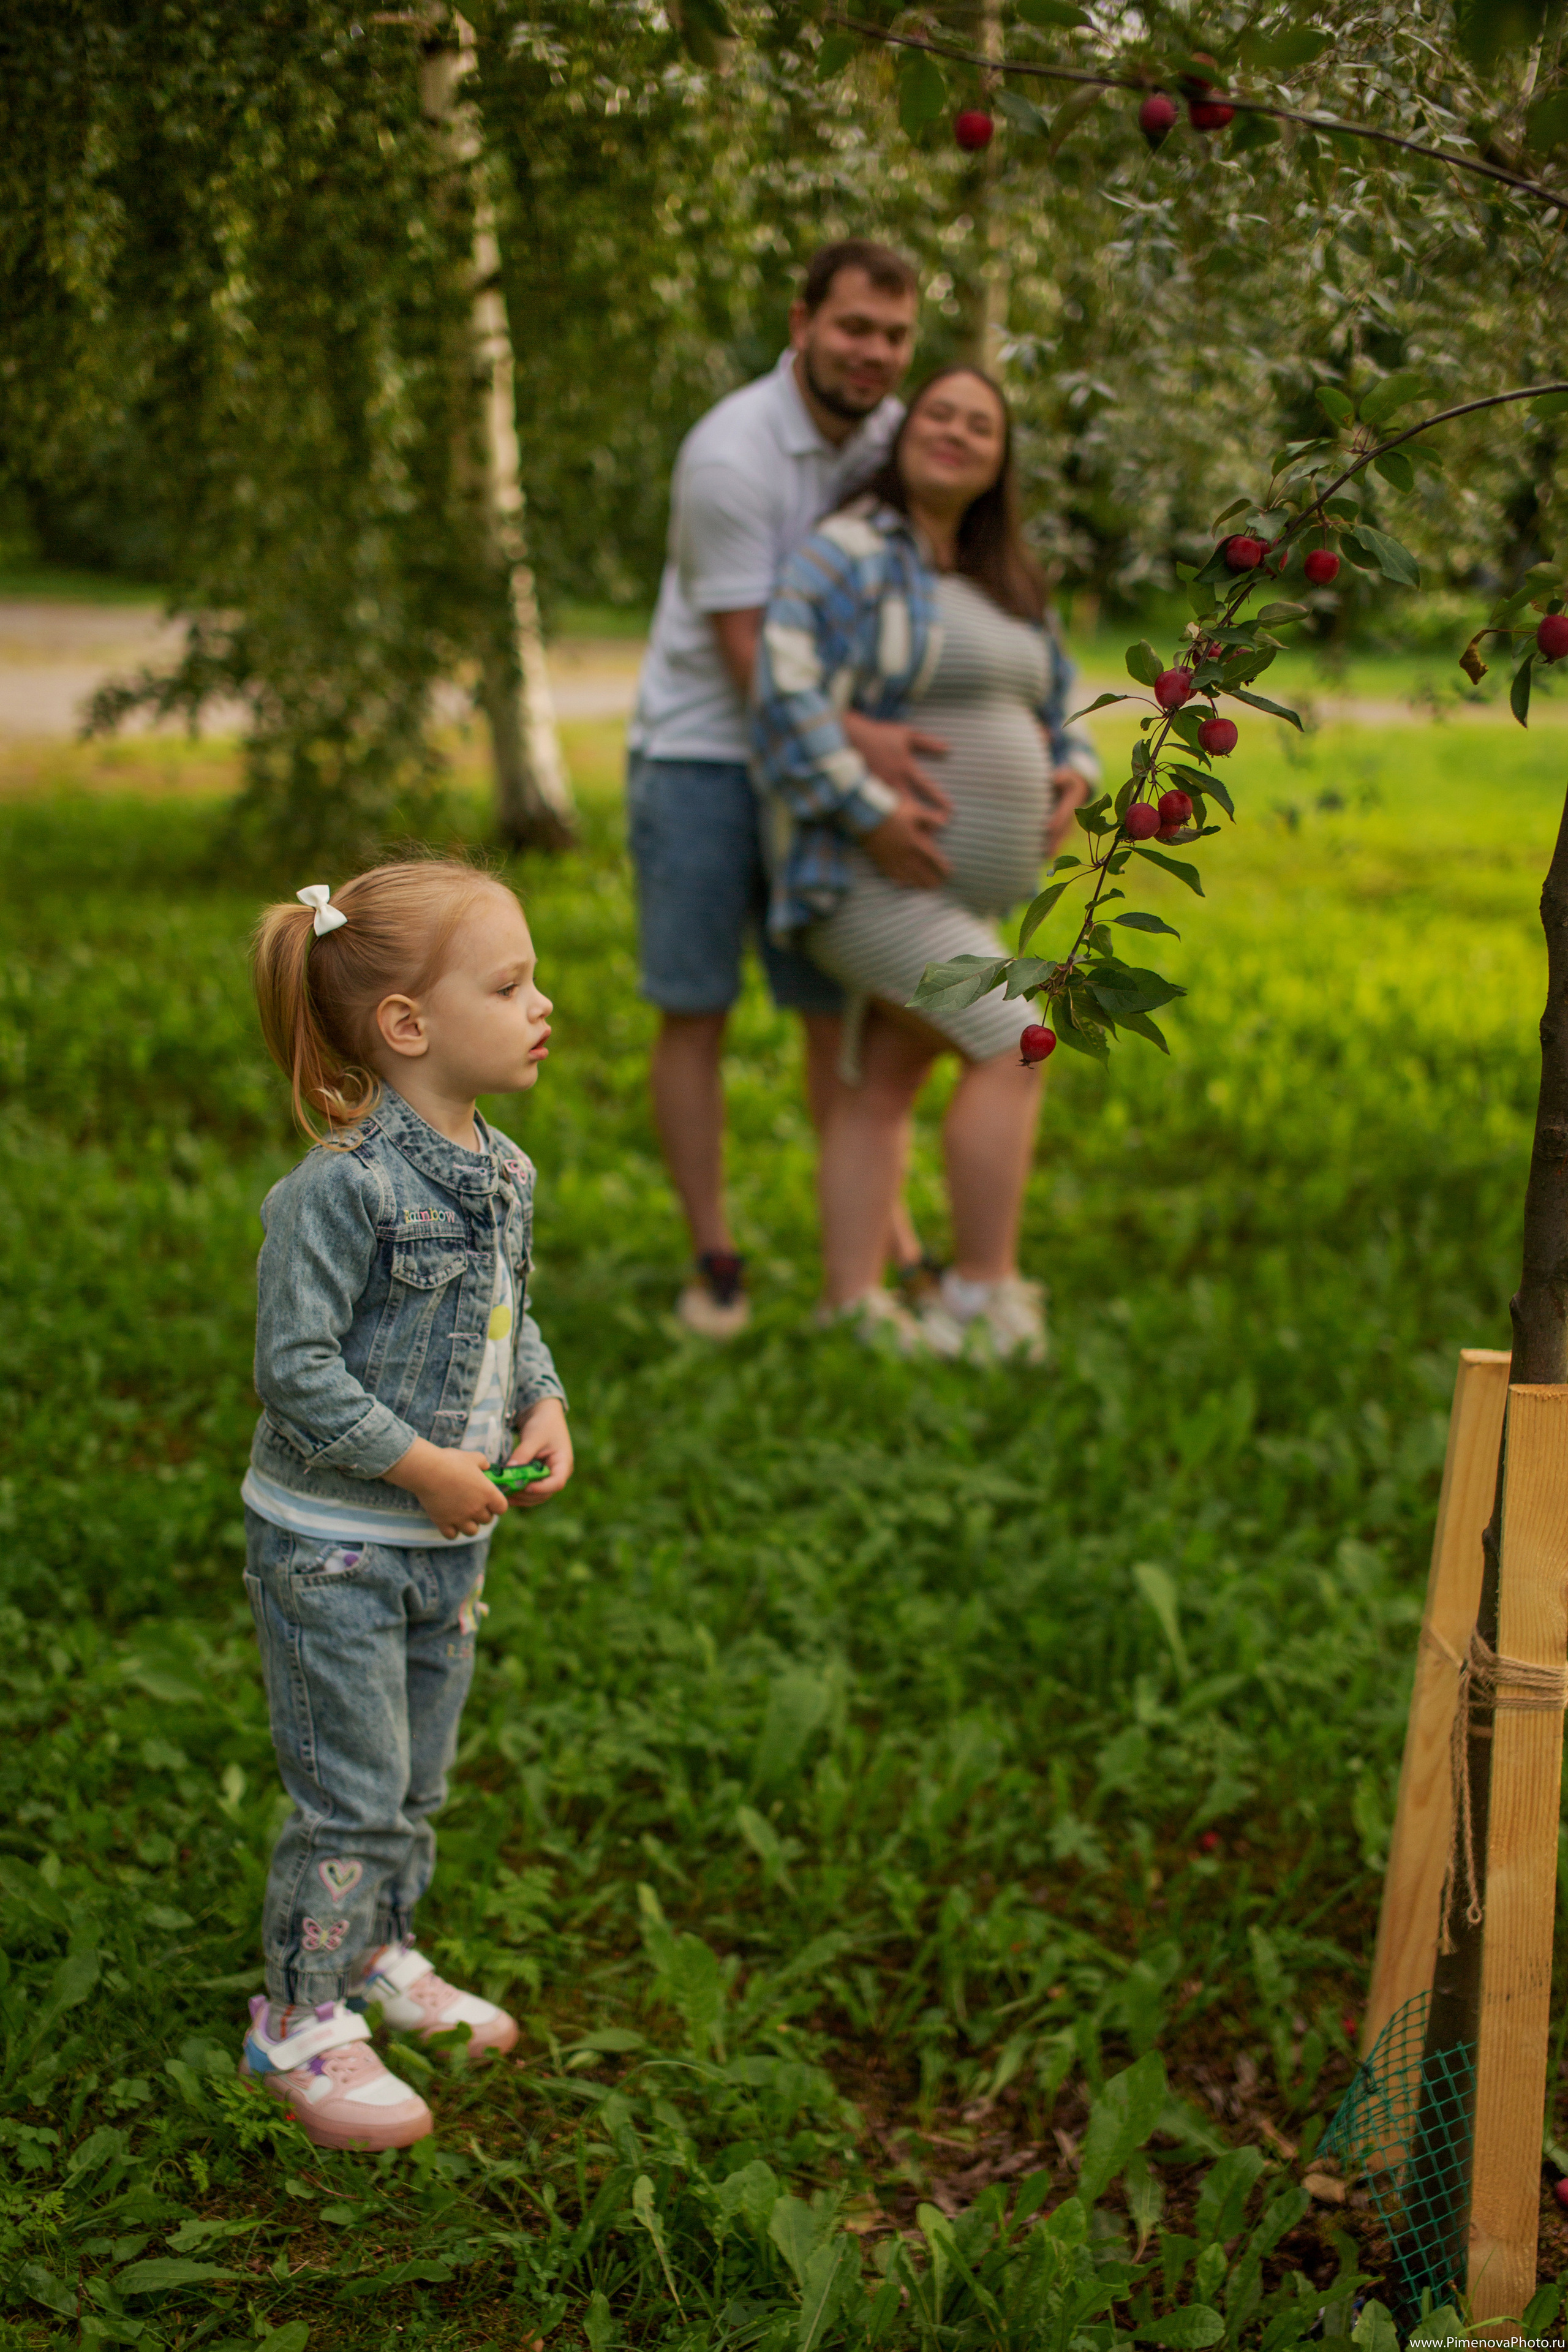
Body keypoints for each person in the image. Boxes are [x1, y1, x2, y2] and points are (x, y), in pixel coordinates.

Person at [236, 859, 572, 2150]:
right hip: (335, 1549)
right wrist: (421, 1464)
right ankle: (296, 2018)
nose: (543, 1003)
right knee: (352, 1794)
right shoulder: (342, 1187)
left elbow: (504, 1317)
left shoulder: (504, 1170)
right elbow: (295, 1368)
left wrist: (540, 1403)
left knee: (414, 1782)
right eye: (510, 984)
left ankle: (377, 1949)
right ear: (406, 1024)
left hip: (444, 1546)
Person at [628, 239, 950, 1338]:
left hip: (827, 754)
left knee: (835, 1011)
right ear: (802, 321)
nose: (875, 353)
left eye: (896, 336)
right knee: (696, 1009)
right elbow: (753, 663)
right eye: (855, 326)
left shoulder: (903, 442)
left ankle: (884, 1246)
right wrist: (871, 757)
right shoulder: (730, 453)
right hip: (706, 757)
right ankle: (714, 1258)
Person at [753, 366, 1100, 1360]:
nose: (956, 432)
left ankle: (852, 1304)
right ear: (905, 437)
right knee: (1017, 1037)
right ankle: (981, 1297)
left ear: (1001, 459)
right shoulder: (847, 553)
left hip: (951, 891)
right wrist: (869, 814)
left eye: (980, 424)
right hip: (862, 876)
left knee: (886, 1080)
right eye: (939, 413)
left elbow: (1064, 704)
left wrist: (1073, 771)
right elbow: (783, 698)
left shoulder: (1010, 581)